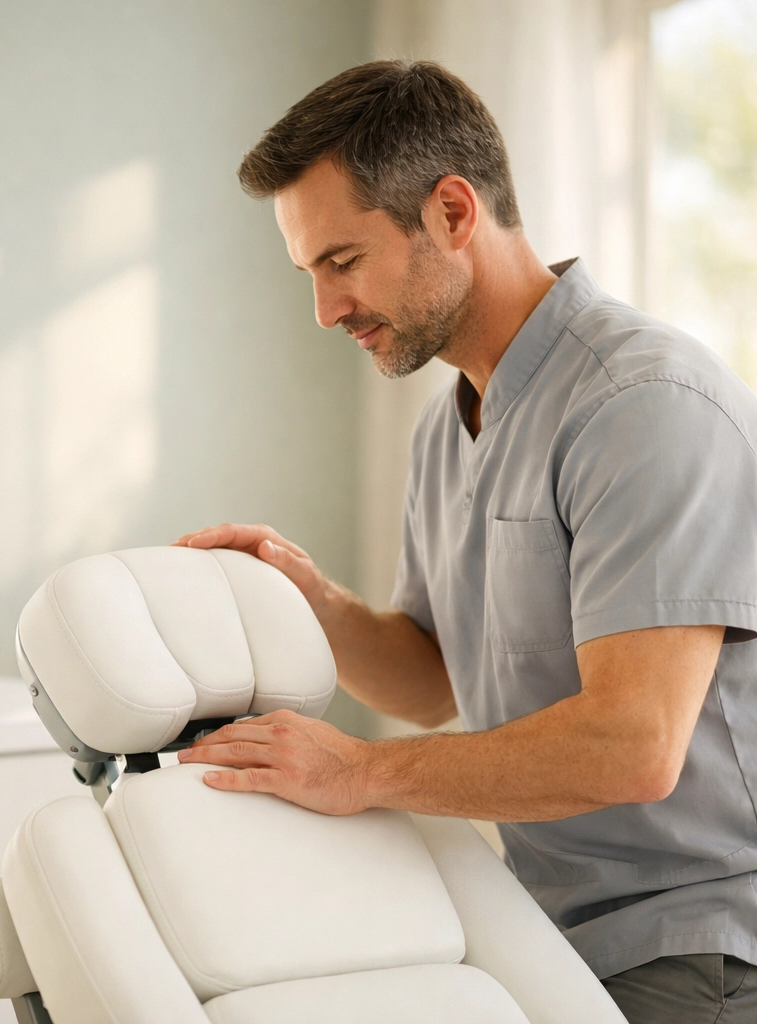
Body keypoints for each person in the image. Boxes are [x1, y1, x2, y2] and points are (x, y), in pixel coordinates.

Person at [173, 61, 757, 1022]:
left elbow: (634, 745)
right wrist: (306, 594)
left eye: (343, 261)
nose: (326, 310)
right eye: (310, 273)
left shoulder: (644, 406)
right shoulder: (450, 431)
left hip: (700, 950)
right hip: (542, 938)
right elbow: (432, 681)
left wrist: (359, 771)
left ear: (451, 212)